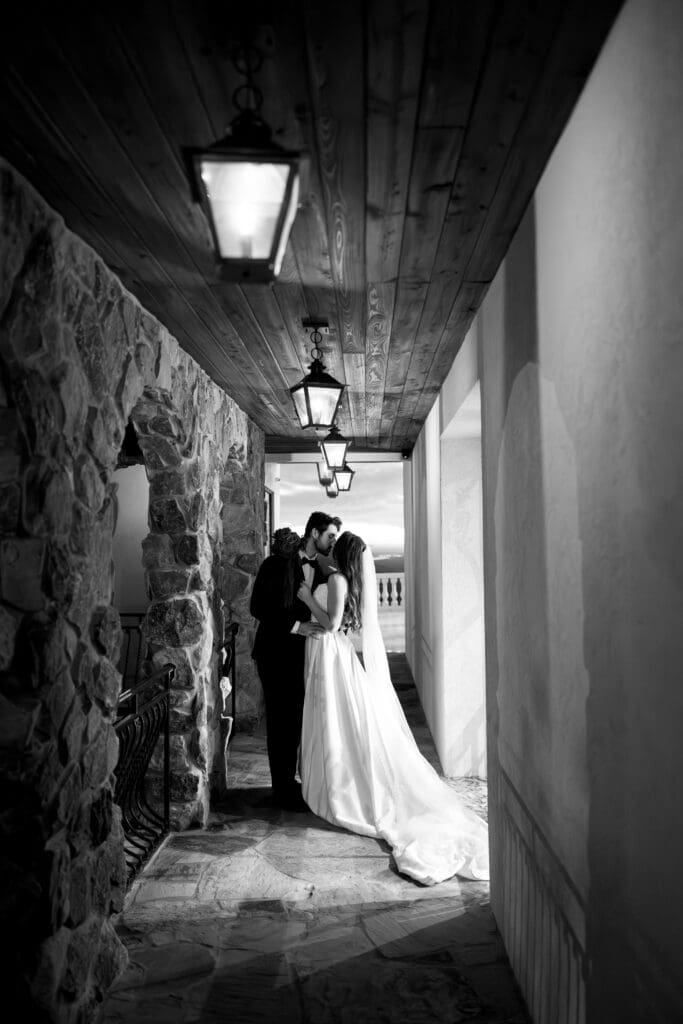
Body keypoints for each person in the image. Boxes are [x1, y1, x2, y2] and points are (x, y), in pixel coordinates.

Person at [297, 530, 490, 884]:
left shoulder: (337, 579)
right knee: (335, 721)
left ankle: (341, 786)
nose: (330, 544)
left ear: (341, 552)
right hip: (329, 655)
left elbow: (333, 624)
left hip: (332, 655)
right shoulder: (341, 578)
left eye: (334, 542)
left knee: (339, 722)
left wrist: (309, 598)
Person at [250, 513, 341, 811]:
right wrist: (296, 627)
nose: (333, 541)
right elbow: (258, 607)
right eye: (329, 535)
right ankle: (282, 792)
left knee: (297, 720)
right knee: (280, 721)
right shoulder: (275, 563)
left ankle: (291, 783)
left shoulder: (324, 569)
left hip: (302, 656)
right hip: (274, 653)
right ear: (313, 533)